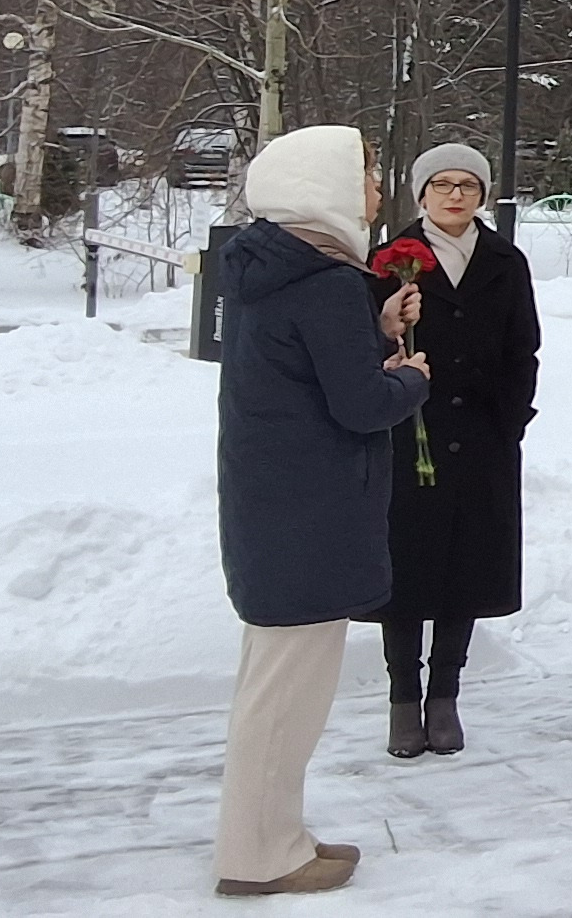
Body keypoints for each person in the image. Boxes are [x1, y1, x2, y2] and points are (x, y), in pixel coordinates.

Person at [211, 124, 429, 897]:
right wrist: (411, 378)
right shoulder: (326, 281)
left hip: (275, 508)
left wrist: (373, 332)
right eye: (366, 175)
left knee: (273, 690)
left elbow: (303, 366)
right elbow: (362, 405)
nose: (376, 191)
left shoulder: (272, 269)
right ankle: (258, 857)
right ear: (324, 187)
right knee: (285, 703)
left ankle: (273, 836)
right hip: (309, 516)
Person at [370, 143, 539, 761]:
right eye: (442, 184)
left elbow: (523, 347)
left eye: (468, 185)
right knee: (407, 568)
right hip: (410, 433)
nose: (455, 195)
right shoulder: (390, 259)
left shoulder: (505, 260)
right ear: (422, 194)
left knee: (464, 569)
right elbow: (366, 339)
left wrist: (511, 419)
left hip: (483, 438)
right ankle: (402, 698)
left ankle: (444, 695)